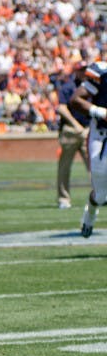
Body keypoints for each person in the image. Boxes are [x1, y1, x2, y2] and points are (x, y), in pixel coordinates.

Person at [68, 61, 107, 238]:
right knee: (100, 195)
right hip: (102, 136)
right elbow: (75, 100)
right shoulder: (101, 72)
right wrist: (101, 112)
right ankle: (90, 212)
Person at [54, 63, 90, 209]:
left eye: (85, 70)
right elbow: (61, 108)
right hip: (70, 130)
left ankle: (100, 195)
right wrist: (76, 125)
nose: (84, 72)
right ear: (76, 71)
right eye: (81, 70)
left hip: (87, 131)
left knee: (95, 166)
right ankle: (64, 198)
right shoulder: (68, 87)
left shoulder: (91, 87)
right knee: (64, 167)